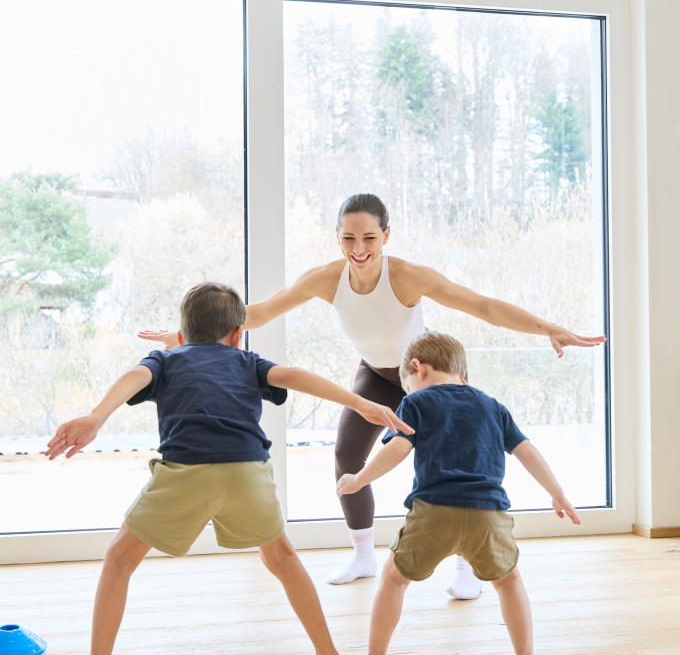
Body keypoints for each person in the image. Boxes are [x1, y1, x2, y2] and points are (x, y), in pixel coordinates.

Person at [140, 193, 603, 591]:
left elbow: (481, 305)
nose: (358, 249)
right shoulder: (325, 278)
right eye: (348, 239)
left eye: (368, 238)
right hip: (377, 375)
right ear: (337, 237)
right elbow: (255, 315)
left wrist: (547, 328)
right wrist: (185, 335)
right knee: (346, 455)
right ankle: (363, 553)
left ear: (386, 236)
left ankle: (467, 562)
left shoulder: (407, 275)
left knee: (458, 462)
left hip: (427, 375)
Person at [45, 281, 414, 655]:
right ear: (238, 334)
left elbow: (135, 376)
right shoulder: (246, 361)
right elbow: (293, 375)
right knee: (283, 558)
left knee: (120, 558)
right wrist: (360, 403)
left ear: (181, 334)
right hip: (248, 473)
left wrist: (96, 417)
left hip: (187, 475)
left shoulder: (164, 359)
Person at [336, 331, 581, 655]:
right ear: (463, 376)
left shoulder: (417, 404)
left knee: (394, 578)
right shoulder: (493, 406)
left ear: (417, 368)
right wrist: (557, 492)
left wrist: (359, 479)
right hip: (489, 515)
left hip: (434, 512)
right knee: (509, 581)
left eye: (407, 385)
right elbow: (527, 451)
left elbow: (397, 450)